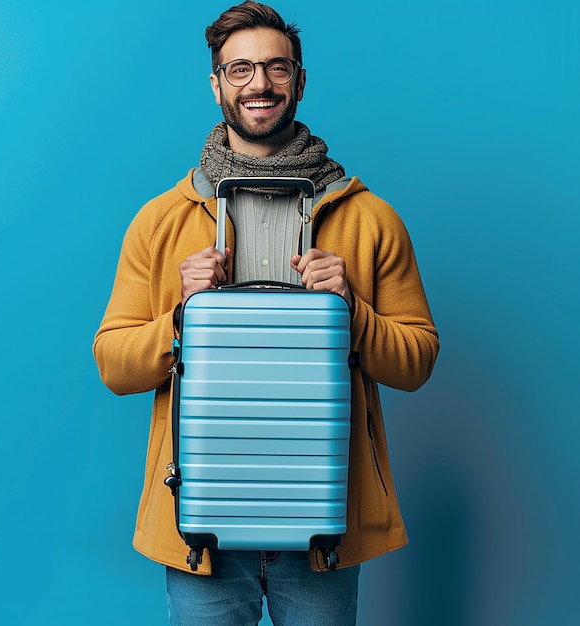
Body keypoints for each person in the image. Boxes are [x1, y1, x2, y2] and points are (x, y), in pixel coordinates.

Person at [93, 2, 439, 624]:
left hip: (321, 534)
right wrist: (179, 318)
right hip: (199, 532)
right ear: (217, 84)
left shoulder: (369, 219)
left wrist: (351, 312)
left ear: (300, 80)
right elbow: (115, 367)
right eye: (241, 69)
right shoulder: (159, 222)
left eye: (277, 68)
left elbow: (417, 363)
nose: (260, 84)